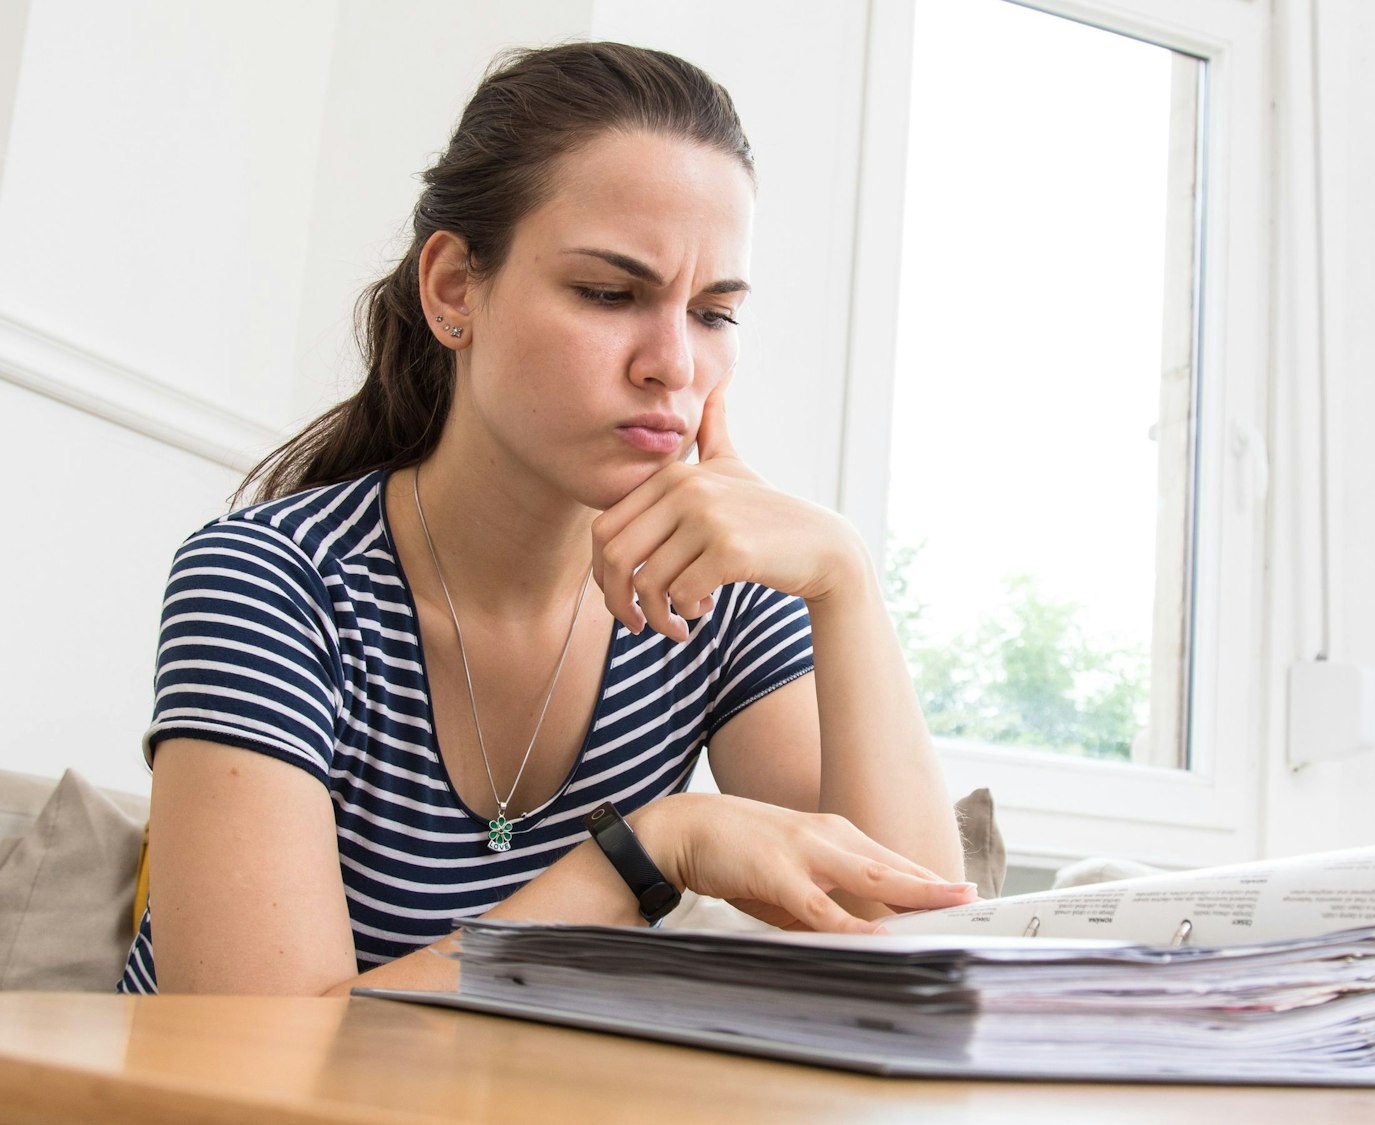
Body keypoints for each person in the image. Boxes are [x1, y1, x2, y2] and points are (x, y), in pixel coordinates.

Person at [117, 41, 974, 996]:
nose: (673, 365)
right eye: (610, 294)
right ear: (453, 290)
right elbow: (252, 1061)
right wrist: (648, 849)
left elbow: (917, 956)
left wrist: (844, 579)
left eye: (713, 313)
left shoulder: (722, 599)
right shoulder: (270, 583)